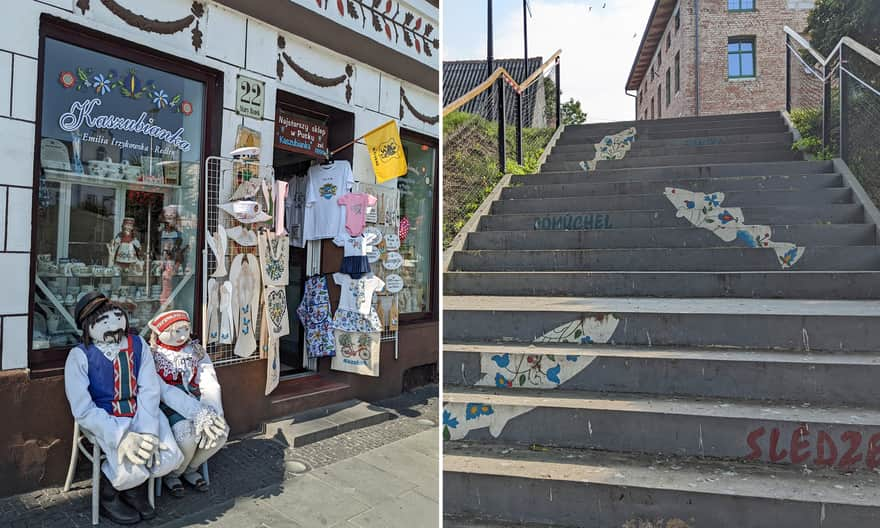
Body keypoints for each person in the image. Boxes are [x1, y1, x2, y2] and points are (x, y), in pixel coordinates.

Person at [64, 292, 183, 524]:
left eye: (118, 316)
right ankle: (109, 495)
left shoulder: (138, 345)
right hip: (105, 418)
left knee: (165, 455)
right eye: (103, 321)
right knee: (128, 463)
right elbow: (83, 408)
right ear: (88, 327)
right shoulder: (79, 356)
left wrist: (147, 427)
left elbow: (149, 389)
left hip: (140, 411)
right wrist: (120, 436)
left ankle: (133, 491)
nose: (113, 324)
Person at [148, 310, 228, 496]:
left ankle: (189, 469)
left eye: (185, 329)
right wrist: (197, 413)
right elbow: (163, 390)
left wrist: (213, 411)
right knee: (188, 438)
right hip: (169, 404)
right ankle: (173, 474)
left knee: (219, 433)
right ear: (161, 332)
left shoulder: (195, 350)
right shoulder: (152, 354)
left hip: (195, 399)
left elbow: (209, 380)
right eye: (176, 331)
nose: (183, 336)